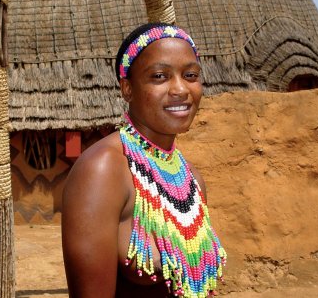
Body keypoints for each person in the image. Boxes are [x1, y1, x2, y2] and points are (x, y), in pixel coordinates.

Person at [62, 23, 226, 298]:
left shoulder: (191, 179)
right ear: (127, 89)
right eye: (160, 76)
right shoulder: (104, 169)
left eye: (190, 75)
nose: (180, 89)